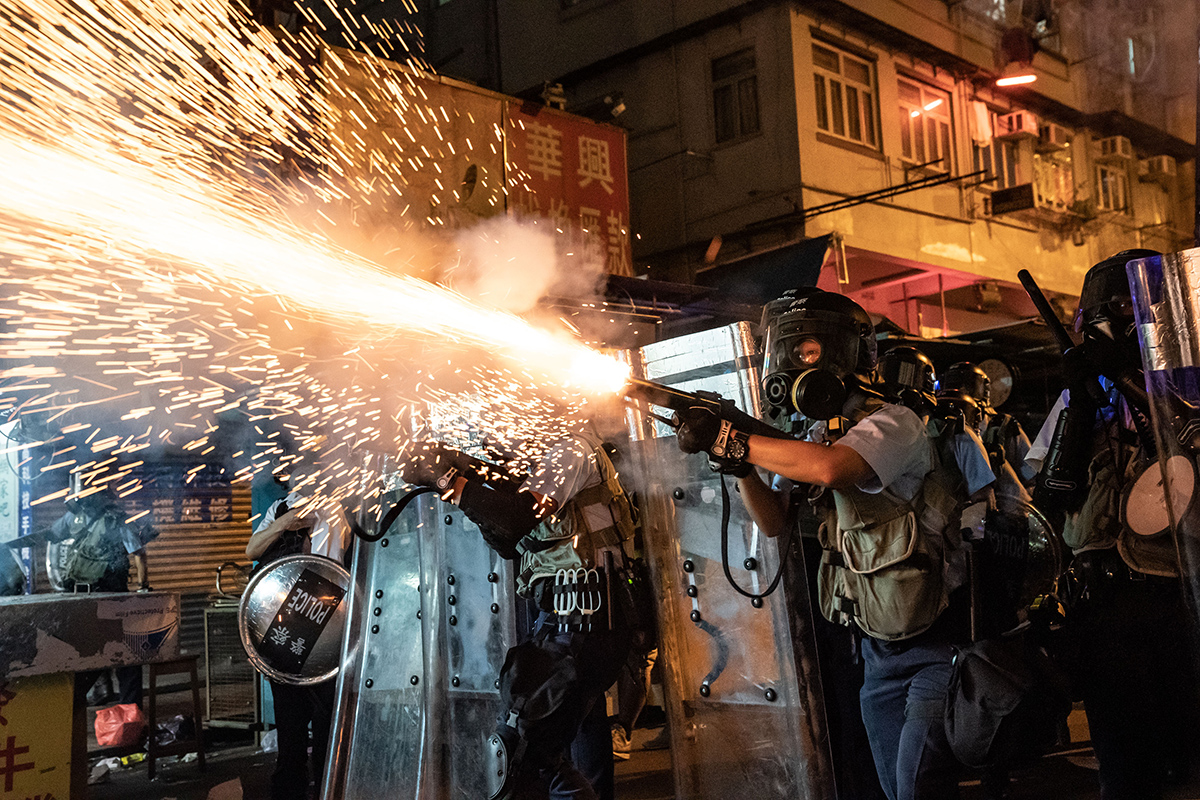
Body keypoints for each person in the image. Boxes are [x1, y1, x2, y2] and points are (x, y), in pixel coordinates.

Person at [673, 290, 962, 800]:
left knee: (918, 785)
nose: (799, 362)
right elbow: (773, 523)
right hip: (876, 650)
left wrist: (736, 439)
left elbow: (831, 469)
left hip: (935, 644)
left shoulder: (893, 422)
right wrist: (739, 467)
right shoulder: (813, 435)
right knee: (889, 787)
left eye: (809, 349)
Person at [1026, 249, 1196, 800]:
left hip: (1182, 600)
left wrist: (1131, 384)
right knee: (1125, 772)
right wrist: (1079, 399)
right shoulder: (1084, 395)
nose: (1125, 327)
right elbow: (1050, 496)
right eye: (1113, 315)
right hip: (1106, 607)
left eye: (1138, 313)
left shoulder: (1187, 392)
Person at [400, 416, 637, 800]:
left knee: (526, 749)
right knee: (536, 752)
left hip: (587, 620)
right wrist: (461, 473)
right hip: (563, 618)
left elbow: (513, 520)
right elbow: (509, 540)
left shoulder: (568, 451)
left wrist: (447, 480)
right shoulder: (541, 462)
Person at [246, 462, 350, 800]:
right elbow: (252, 550)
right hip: (280, 624)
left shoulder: (332, 507)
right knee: (289, 723)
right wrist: (283, 524)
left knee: (325, 720)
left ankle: (326, 786)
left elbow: (328, 566)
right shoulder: (279, 508)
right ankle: (288, 790)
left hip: (321, 623)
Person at [52, 486, 150, 709]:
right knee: (127, 656)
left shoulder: (73, 516)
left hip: (80, 598)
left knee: (88, 653)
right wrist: (143, 588)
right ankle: (130, 713)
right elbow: (139, 555)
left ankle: (72, 703)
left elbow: (52, 536)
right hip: (112, 596)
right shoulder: (117, 519)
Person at [938, 362, 1034, 499]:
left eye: (967, 386)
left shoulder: (1004, 425)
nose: (962, 390)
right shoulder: (944, 427)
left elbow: (1032, 475)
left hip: (1003, 508)